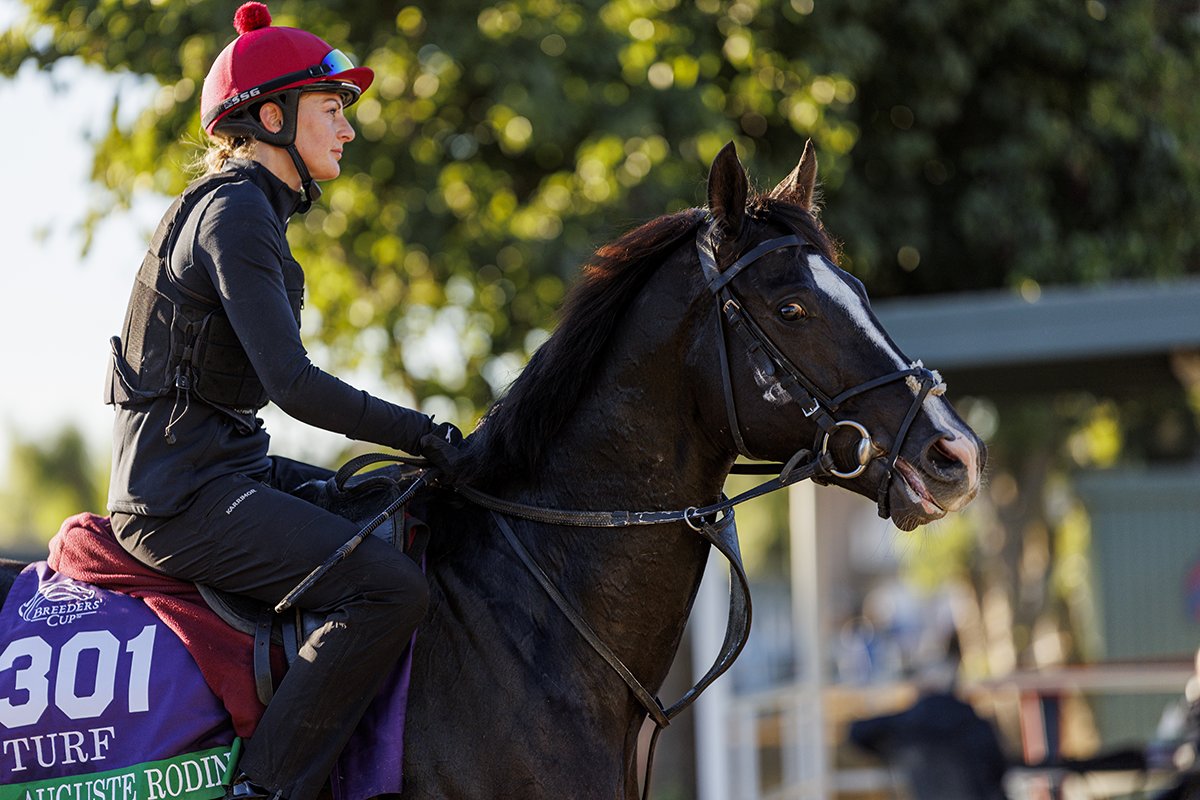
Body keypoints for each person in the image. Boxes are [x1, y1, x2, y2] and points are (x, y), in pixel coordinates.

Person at [103, 4, 461, 799]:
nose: (349, 130)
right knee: (387, 587)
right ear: (272, 116)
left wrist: (415, 459)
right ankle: (262, 790)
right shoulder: (234, 214)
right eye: (332, 110)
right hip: (177, 501)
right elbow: (293, 386)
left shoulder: (251, 208)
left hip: (222, 474)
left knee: (394, 504)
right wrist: (427, 433)